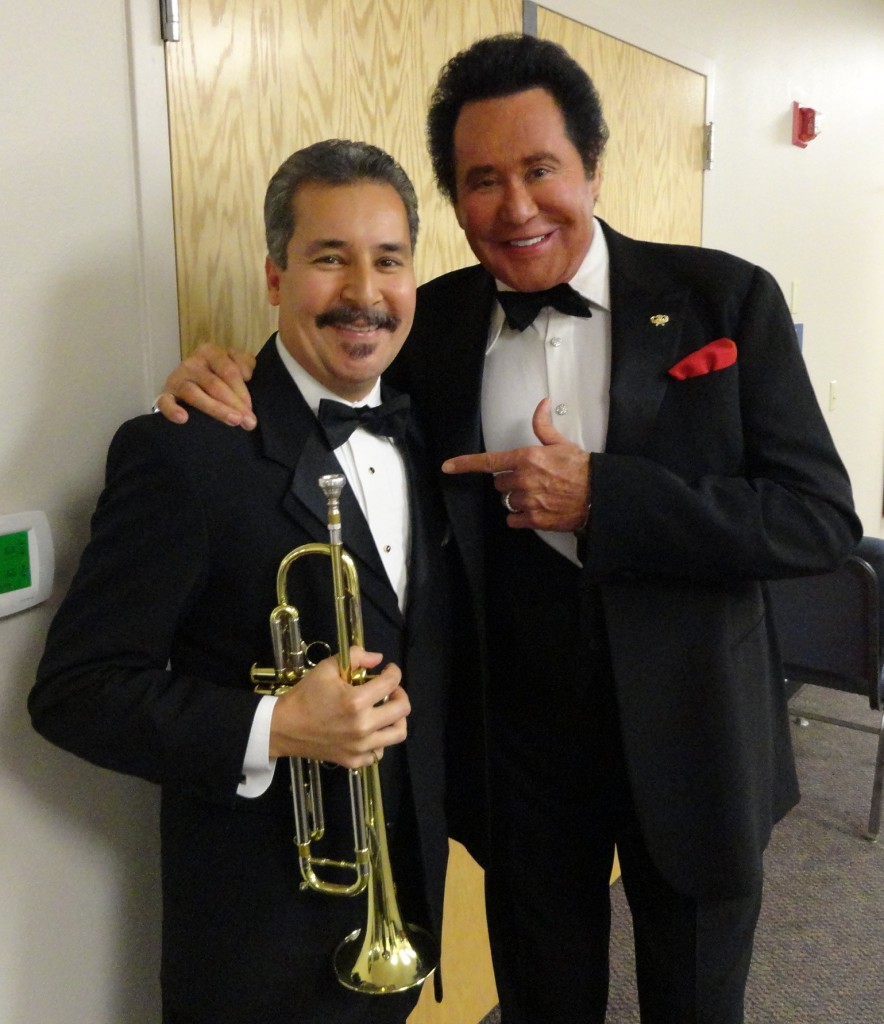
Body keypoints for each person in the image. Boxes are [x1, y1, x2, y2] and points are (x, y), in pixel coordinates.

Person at [152, 34, 862, 1024]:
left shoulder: (722, 298)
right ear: (453, 198)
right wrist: (216, 372)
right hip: (518, 751)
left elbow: (817, 520)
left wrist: (605, 498)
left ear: (591, 168)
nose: (515, 207)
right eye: (481, 181)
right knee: (541, 1002)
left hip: (695, 733)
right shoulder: (424, 324)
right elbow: (323, 388)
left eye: (539, 170)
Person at [29, 139, 465, 1024]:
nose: (364, 293)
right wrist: (276, 724)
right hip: (259, 946)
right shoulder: (185, 450)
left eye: (389, 260)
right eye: (328, 258)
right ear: (274, 276)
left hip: (401, 905)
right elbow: (74, 691)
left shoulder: (432, 431)